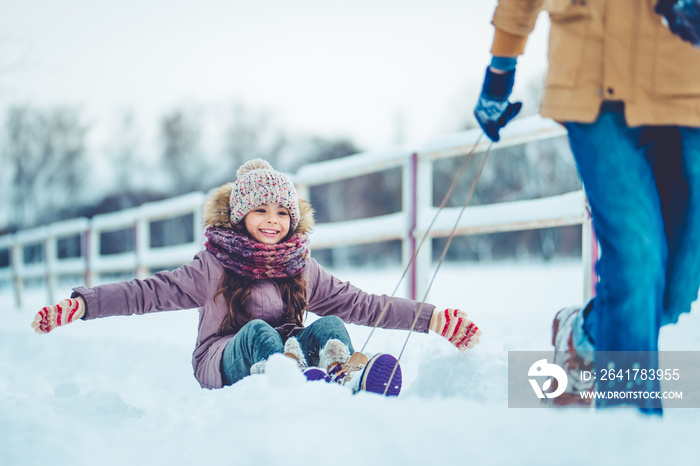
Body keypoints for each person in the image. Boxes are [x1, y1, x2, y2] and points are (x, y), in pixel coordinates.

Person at [31, 159, 481, 396]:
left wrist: (434, 319)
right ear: (240, 215)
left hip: (289, 352)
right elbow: (149, 293)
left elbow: (363, 303)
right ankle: (292, 380)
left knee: (328, 327)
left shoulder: (301, 265)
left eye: (283, 212)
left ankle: (339, 374)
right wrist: (84, 303)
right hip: (224, 358)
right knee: (259, 331)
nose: (273, 220)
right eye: (260, 210)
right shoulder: (214, 264)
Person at [474, 0, 700, 414]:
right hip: (595, 78)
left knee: (677, 288)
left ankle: (583, 334)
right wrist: (500, 69)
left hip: (688, 88)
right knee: (637, 261)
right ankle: (629, 436)